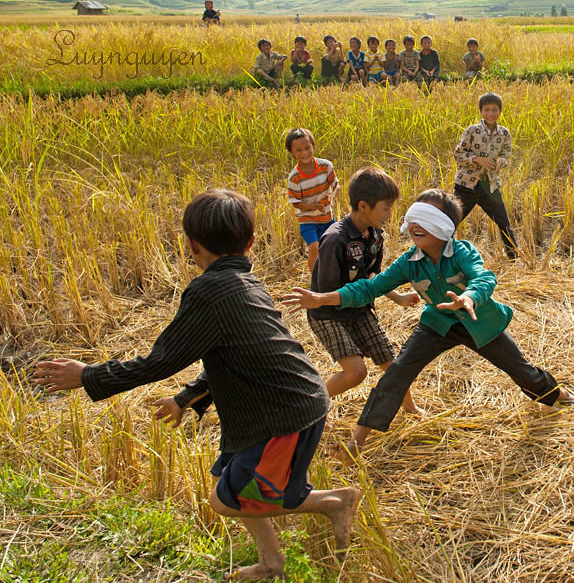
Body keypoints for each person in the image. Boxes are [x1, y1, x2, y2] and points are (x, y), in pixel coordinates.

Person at [33, 190, 360, 582]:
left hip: (284, 414)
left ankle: (336, 502)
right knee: (229, 479)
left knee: (230, 501)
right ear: (251, 242)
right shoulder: (245, 281)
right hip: (277, 407)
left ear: (191, 244)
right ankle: (273, 563)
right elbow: (228, 352)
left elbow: (162, 360)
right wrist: (185, 397)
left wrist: (88, 375)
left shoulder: (209, 290)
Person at [282, 189, 574, 463]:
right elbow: (367, 289)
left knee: (519, 369)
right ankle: (357, 443)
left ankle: (556, 395)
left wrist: (469, 297)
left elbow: (484, 277)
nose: (415, 226)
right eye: (414, 218)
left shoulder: (462, 251)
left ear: (446, 226)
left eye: (427, 219)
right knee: (397, 372)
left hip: (479, 322)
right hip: (437, 324)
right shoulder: (409, 262)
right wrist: (322, 298)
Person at [306, 167, 422, 414]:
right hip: (328, 313)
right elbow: (327, 293)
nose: (390, 215)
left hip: (359, 308)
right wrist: (360, 297)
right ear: (363, 206)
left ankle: (411, 409)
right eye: (386, 208)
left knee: (392, 363)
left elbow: (373, 276)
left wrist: (398, 298)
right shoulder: (336, 239)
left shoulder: (375, 237)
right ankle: (310, 405)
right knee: (357, 372)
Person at [453, 92, 518, 259]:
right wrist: (478, 159)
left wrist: (500, 162)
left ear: (500, 111)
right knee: (450, 223)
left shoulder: (504, 133)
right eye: (487, 109)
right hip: (467, 185)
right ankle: (439, 256)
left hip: (490, 186)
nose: (490, 113)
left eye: (495, 110)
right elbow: (458, 155)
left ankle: (514, 258)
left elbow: (507, 157)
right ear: (481, 111)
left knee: (504, 222)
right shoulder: (472, 131)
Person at [286, 127, 340, 272]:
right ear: (291, 152)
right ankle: (315, 283)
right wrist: (313, 206)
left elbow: (336, 186)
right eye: (298, 150)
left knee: (331, 249)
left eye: (307, 147)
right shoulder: (294, 178)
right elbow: (295, 202)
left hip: (327, 218)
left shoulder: (326, 166)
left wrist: (332, 197)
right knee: (314, 248)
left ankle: (331, 277)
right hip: (308, 220)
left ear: (313, 146)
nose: (304, 153)